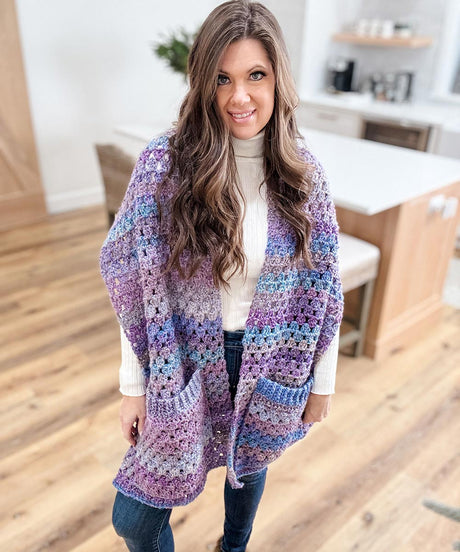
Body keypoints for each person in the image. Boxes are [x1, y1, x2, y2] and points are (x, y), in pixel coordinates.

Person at [99, 1, 344, 550]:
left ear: (278, 79)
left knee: (249, 468)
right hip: (182, 360)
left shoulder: (303, 176)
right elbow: (137, 284)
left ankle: (233, 546)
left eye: (256, 75)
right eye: (222, 78)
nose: (239, 97)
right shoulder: (165, 166)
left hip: (271, 362)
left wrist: (322, 383)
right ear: (202, 82)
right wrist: (133, 387)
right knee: (135, 520)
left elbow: (324, 290)